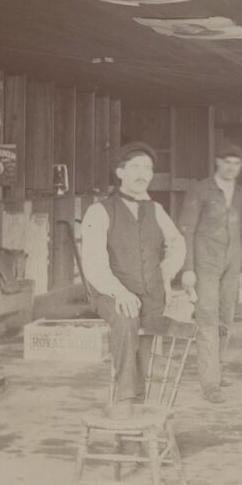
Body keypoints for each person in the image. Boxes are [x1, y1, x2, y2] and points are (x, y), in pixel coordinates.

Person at [80, 142, 186, 419]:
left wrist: (165, 274)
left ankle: (141, 408)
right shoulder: (99, 211)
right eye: (136, 167)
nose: (143, 174)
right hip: (109, 293)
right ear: (120, 172)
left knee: (153, 337)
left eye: (148, 168)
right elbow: (92, 261)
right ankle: (125, 402)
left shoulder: (156, 209)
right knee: (126, 319)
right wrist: (118, 292)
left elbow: (177, 243)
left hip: (149, 293)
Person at [178, 144, 242, 404]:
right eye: (227, 162)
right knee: (208, 321)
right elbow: (186, 230)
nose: (231, 167)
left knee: (226, 320)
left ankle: (217, 370)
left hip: (233, 265)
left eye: (237, 163)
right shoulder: (200, 190)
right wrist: (188, 269)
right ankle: (210, 384)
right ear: (217, 162)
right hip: (205, 264)